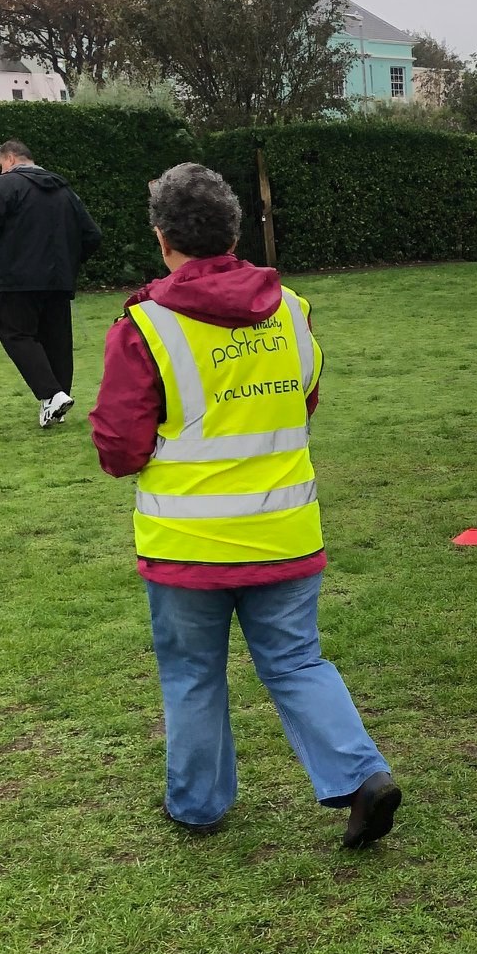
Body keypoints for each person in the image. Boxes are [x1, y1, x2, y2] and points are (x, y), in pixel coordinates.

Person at [89, 162, 400, 845]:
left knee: (193, 675)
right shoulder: (291, 309)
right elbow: (304, 399)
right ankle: (361, 776)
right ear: (233, 234)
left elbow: (119, 448)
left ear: (162, 237)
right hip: (285, 533)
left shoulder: (145, 326)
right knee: (297, 662)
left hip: (186, 546)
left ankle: (197, 804)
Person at [0, 137, 101, 428]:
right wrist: (69, 261)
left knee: (15, 334)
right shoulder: (64, 191)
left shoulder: (5, 185)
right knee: (56, 340)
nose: (1, 170)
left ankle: (52, 394)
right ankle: (55, 404)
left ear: (10, 159)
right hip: (57, 280)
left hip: (15, 279)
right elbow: (92, 235)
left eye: (1, 165)